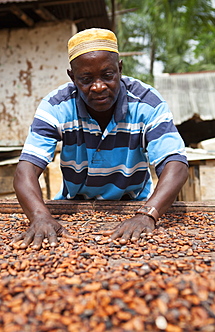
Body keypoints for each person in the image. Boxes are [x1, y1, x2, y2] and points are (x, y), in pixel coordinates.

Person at [13, 28, 188, 249]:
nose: (98, 87)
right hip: (73, 205)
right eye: (86, 79)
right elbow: (25, 171)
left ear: (120, 69)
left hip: (136, 206)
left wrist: (148, 214)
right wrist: (39, 216)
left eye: (107, 76)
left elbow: (176, 164)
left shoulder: (147, 103)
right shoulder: (56, 106)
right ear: (72, 77)